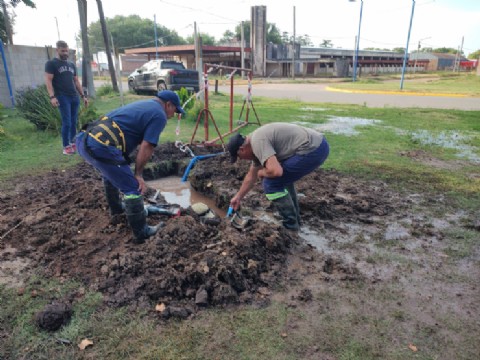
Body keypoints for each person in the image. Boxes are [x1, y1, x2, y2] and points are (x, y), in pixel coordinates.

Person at [75, 90, 185, 244]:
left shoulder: (146, 105)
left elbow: (135, 135)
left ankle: (117, 210)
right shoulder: (159, 115)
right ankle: (142, 232)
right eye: (175, 110)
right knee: (133, 188)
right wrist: (138, 174)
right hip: (101, 145)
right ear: (168, 105)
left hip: (84, 139)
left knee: (112, 174)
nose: (173, 115)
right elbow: (147, 146)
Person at [227, 122, 329, 231]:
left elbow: (276, 171)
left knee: (271, 184)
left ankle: (291, 227)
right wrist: (238, 197)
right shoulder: (254, 143)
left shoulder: (258, 142)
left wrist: (261, 173)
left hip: (313, 149)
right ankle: (296, 222)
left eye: (239, 157)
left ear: (242, 149)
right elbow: (250, 176)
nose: (241, 159)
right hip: (318, 144)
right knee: (283, 181)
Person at [45, 40, 89, 155]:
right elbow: (48, 81)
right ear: (57, 50)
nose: (65, 53)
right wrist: (52, 97)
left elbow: (76, 81)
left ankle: (73, 143)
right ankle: (66, 146)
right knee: (67, 122)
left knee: (74, 122)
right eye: (62, 51)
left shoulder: (71, 65)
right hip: (62, 96)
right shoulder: (51, 64)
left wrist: (83, 96)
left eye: (66, 51)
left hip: (74, 96)